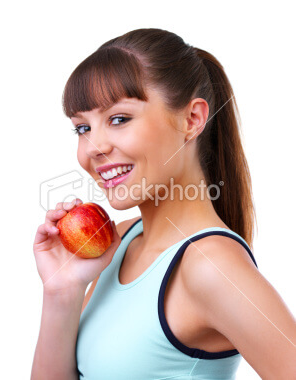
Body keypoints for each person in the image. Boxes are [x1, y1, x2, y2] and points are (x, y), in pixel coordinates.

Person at [31, 28, 296, 379]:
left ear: (192, 120)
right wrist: (62, 292)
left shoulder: (210, 266)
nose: (93, 147)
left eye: (118, 119)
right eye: (82, 128)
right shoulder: (120, 240)